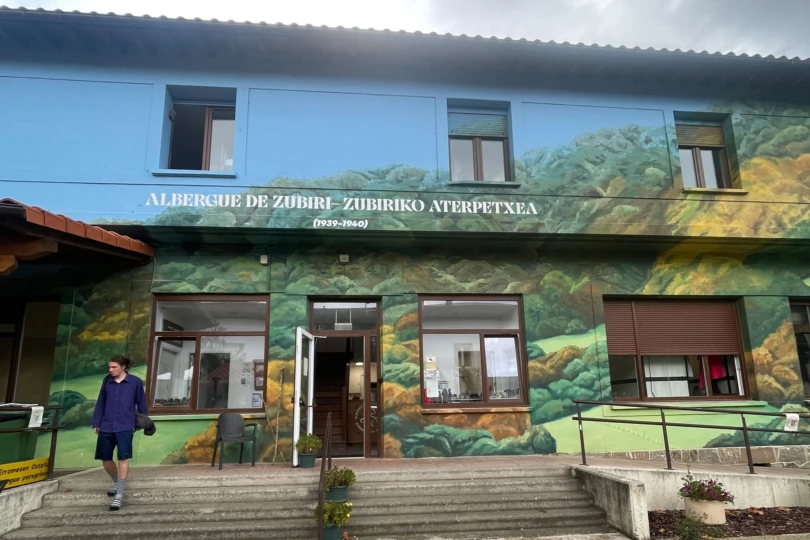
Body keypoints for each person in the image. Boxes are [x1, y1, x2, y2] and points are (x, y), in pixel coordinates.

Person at [92, 355, 147, 511]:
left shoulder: (135, 382)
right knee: (105, 458)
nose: (110, 370)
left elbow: (141, 403)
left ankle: (119, 495)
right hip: (106, 425)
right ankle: (117, 482)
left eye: (114, 367)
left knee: (123, 457)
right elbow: (100, 401)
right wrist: (96, 422)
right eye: (109, 367)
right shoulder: (107, 381)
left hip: (125, 425)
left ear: (123, 367)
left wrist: (143, 421)